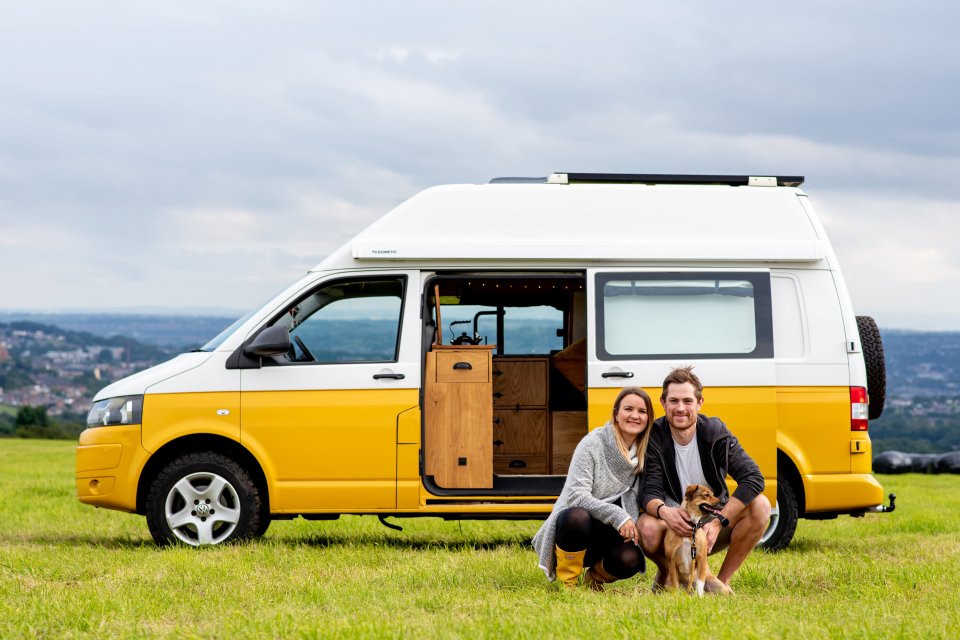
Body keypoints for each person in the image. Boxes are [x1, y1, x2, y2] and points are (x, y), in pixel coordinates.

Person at [638, 366, 771, 593]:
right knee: (646, 528)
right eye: (674, 401)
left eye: (688, 401)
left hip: (711, 522)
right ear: (663, 402)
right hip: (674, 524)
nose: (681, 408)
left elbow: (753, 478)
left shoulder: (715, 432)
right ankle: (669, 573)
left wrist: (719, 521)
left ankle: (721, 580)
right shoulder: (654, 435)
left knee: (761, 506)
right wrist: (665, 512)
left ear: (699, 403)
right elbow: (648, 492)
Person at [532, 387, 653, 589]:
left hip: (610, 534)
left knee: (629, 559)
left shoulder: (647, 452)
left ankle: (594, 579)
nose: (634, 416)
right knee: (576, 516)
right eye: (628, 409)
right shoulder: (593, 443)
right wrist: (618, 515)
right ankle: (568, 583)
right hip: (576, 531)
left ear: (649, 418)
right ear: (616, 413)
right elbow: (576, 495)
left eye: (642, 411)